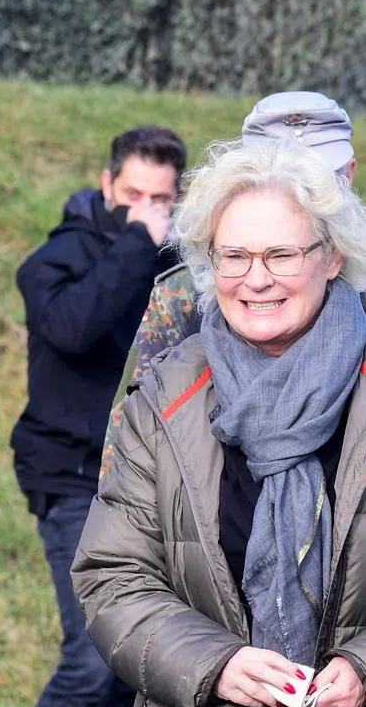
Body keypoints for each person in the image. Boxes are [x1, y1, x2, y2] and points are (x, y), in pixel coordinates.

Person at [72, 136, 366, 707]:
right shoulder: (166, 396)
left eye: (280, 254)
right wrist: (218, 664)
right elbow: (113, 577)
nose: (255, 278)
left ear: (332, 257)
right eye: (233, 256)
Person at [0, 126, 187, 707]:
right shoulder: (57, 260)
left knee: (124, 673)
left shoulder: (179, 268)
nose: (149, 210)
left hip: (143, 483)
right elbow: (74, 327)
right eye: (135, 195)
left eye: (163, 199)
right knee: (88, 663)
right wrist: (139, 242)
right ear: (107, 186)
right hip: (69, 478)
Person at [101, 91, 357, 478]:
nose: (300, 193)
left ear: (349, 173)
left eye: (323, 178)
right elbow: (128, 448)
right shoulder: (186, 292)